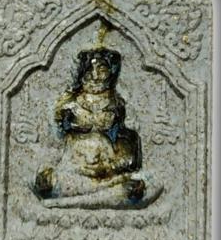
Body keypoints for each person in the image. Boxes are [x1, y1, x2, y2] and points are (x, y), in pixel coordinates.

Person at [33, 49, 146, 206]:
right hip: (73, 172)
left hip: (108, 171)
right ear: (81, 72)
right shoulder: (68, 106)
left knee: (142, 186)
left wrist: (111, 166)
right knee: (52, 183)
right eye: (89, 70)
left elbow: (129, 148)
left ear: (112, 71)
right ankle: (98, 193)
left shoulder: (119, 106)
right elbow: (53, 144)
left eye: (101, 69)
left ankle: (84, 196)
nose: (95, 76)